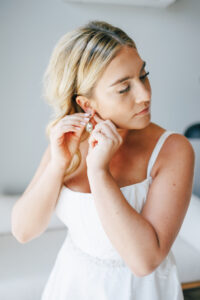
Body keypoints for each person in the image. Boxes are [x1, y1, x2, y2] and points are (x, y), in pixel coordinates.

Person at [11, 20, 195, 300]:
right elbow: (23, 231)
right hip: (73, 283)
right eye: (124, 88)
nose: (145, 95)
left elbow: (144, 261)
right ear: (87, 103)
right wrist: (58, 164)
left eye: (143, 76)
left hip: (140, 291)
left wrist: (99, 172)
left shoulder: (173, 150)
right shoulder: (67, 143)